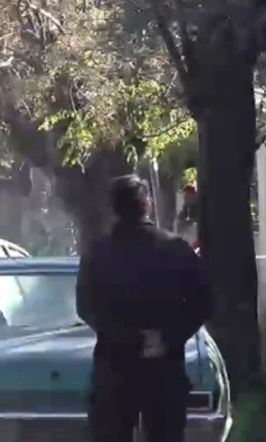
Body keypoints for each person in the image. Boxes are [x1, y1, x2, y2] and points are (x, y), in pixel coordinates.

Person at [76, 175, 211, 442]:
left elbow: (86, 306)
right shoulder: (175, 249)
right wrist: (167, 337)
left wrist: (124, 336)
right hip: (164, 367)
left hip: (114, 368)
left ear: (113, 208)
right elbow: (203, 302)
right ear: (147, 203)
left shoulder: (98, 253)